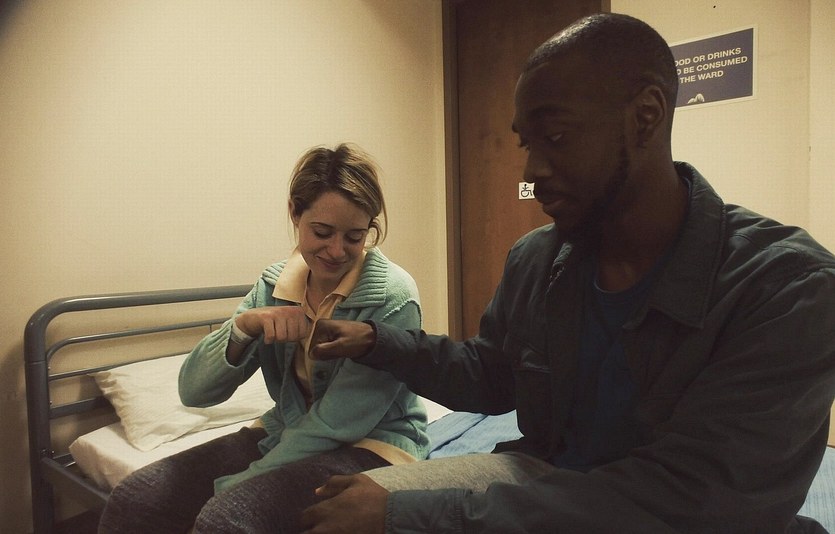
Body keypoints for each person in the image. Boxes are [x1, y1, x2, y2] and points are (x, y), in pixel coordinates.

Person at [300, 13, 835, 534]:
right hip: (545, 480)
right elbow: (492, 376)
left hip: (678, 514)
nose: (531, 171)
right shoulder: (536, 259)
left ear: (646, 116)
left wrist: (416, 516)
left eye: (555, 136)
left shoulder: (788, 287)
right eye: (526, 144)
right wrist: (377, 342)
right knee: (334, 513)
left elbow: (692, 501)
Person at [98, 143, 429, 534]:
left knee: (227, 518)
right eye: (322, 232)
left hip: (373, 444)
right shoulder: (274, 286)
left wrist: (240, 482)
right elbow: (193, 391)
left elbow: (339, 423)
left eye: (355, 237)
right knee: (136, 497)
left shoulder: (392, 297)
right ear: (295, 213)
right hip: (285, 429)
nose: (337, 251)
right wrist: (244, 329)